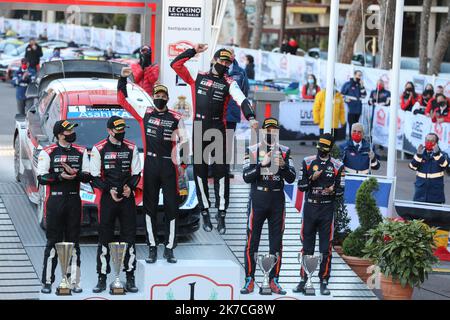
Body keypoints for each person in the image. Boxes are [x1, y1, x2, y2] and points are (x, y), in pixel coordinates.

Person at [171, 44, 258, 235]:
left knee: (221, 173)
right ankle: (205, 212)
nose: (225, 64)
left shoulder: (229, 82)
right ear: (214, 60)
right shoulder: (198, 76)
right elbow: (175, 64)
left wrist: (251, 117)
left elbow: (242, 99)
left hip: (219, 129)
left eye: (228, 62)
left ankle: (222, 213)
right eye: (222, 60)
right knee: (200, 172)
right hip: (200, 128)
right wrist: (193, 50)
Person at [118, 67, 188, 264]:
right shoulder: (146, 113)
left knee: (171, 207)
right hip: (150, 164)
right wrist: (122, 80)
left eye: (163, 95)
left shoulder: (176, 118)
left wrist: (183, 164)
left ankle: (169, 248)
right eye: (157, 94)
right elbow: (123, 101)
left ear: (167, 98)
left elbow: (185, 143)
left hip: (169, 166)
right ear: (153, 96)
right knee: (149, 208)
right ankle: (151, 247)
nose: (160, 97)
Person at [240, 118, 296, 295]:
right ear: (263, 131)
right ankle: (249, 279)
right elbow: (246, 176)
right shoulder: (252, 150)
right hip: (258, 198)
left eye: (274, 129)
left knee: (276, 243)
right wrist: (261, 165)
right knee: (252, 241)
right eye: (268, 129)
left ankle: (274, 280)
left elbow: (292, 178)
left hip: (277, 200)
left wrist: (284, 166)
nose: (271, 132)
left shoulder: (285, 151)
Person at [37, 120, 90, 294]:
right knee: (52, 241)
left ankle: (73, 281)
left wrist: (75, 175)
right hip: (55, 202)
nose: (72, 133)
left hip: (74, 201)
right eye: (68, 131)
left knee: (74, 242)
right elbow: (42, 178)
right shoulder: (48, 152)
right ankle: (47, 282)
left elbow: (87, 176)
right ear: (60, 134)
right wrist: (60, 176)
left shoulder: (81, 152)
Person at [91, 116, 142, 293]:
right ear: (109, 131)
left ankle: (129, 277)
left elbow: (137, 173)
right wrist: (110, 190)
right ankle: (102, 278)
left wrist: (130, 188)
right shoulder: (99, 149)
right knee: (104, 238)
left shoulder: (131, 147)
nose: (121, 132)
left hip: (127, 199)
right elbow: (95, 178)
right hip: (108, 198)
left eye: (123, 129)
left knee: (130, 238)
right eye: (117, 130)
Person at [294, 133, 345, 296]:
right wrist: (310, 178)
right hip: (310, 209)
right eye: (319, 147)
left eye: (324, 148)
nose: (321, 151)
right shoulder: (308, 162)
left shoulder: (338, 165)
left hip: (326, 210)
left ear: (330, 149)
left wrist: (333, 190)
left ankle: (324, 280)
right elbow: (301, 186)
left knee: (326, 248)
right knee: (306, 247)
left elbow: (341, 191)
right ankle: (303, 280)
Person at [222, 48, 249, 177]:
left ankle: (225, 170)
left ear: (234, 55)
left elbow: (244, 92)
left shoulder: (241, 72)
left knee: (228, 142)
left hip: (232, 113)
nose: (229, 55)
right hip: (218, 112)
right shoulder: (219, 69)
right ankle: (212, 168)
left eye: (231, 53)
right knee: (213, 140)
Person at [409, 133, 448, 204]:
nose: (429, 142)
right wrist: (418, 155)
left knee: (435, 214)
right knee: (418, 214)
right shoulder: (420, 153)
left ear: (436, 143)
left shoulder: (443, 155)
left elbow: (445, 166)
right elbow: (412, 167)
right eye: (427, 140)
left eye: (432, 141)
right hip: (420, 194)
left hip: (436, 195)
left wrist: (437, 154)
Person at [341, 70, 367, 138]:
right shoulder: (348, 84)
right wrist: (347, 100)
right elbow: (342, 95)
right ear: (354, 75)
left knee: (356, 125)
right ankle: (350, 140)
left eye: (360, 75)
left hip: (358, 109)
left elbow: (364, 96)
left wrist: (362, 86)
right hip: (351, 108)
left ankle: (355, 140)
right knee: (351, 125)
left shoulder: (360, 85)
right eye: (358, 75)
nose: (359, 77)